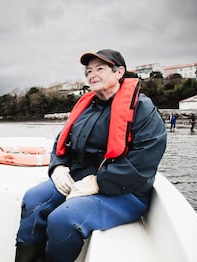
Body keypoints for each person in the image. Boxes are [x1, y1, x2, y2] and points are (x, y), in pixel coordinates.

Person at [14, 49, 167, 262]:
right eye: (88, 71)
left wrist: (98, 182)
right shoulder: (87, 107)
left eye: (100, 69)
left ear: (119, 72)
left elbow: (145, 160)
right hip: (78, 179)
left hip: (124, 191)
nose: (91, 74)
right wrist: (57, 167)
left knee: (63, 219)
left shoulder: (142, 109)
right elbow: (62, 142)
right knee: (33, 200)